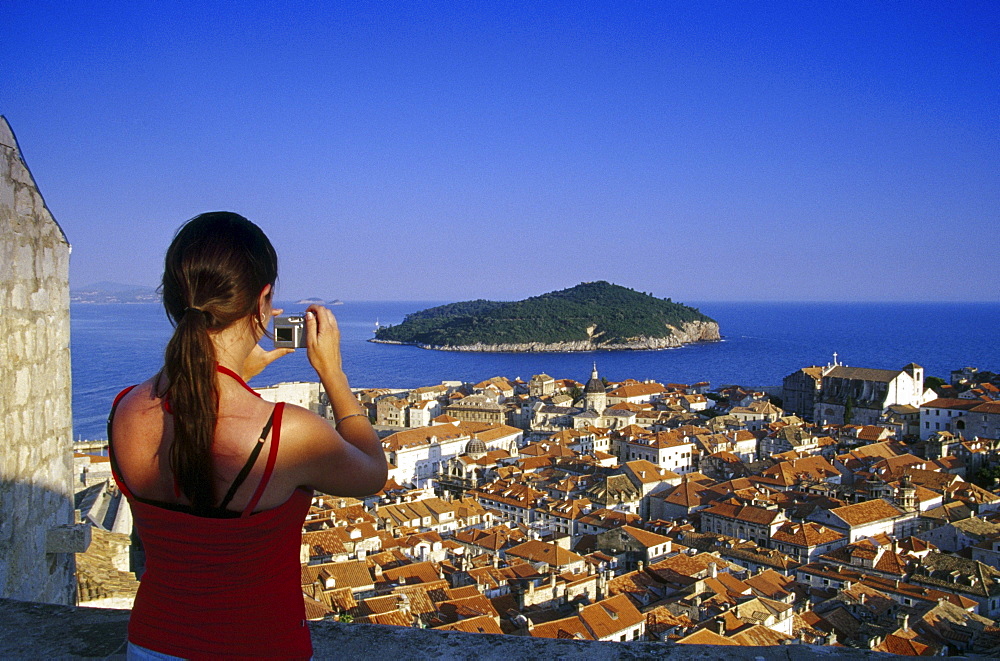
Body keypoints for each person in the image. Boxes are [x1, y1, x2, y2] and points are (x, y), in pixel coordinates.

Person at [108, 212, 387, 660]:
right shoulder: (284, 434)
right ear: (263, 302)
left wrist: (235, 370)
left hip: (150, 645)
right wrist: (333, 374)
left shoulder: (124, 410)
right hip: (259, 647)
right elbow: (372, 472)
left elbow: (198, 409)